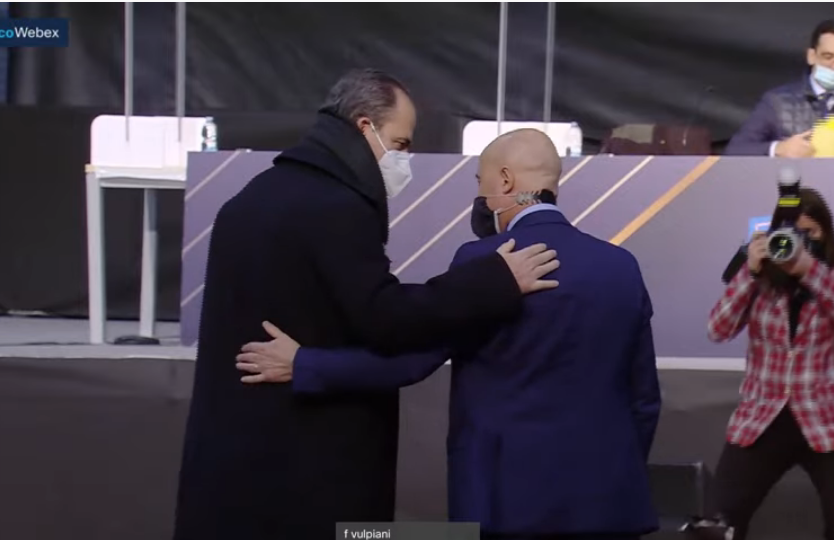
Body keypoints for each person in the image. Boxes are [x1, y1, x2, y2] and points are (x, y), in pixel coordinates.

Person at [172, 70, 559, 540]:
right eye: (400, 144)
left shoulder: (258, 194)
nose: (404, 159)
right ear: (363, 127)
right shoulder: (335, 206)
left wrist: (306, 362)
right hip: (304, 460)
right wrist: (492, 281)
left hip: (240, 461)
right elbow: (385, 319)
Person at [237, 129, 662, 540]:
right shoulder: (621, 266)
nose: (478, 195)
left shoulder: (486, 262)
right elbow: (644, 398)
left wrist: (304, 364)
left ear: (505, 181)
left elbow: (411, 360)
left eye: (480, 182)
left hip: (507, 503)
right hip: (609, 503)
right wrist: (616, 470)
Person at [707, 188, 834, 540]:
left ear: (826, 235)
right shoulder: (761, 280)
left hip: (824, 416)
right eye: (794, 234)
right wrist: (749, 272)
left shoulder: (828, 277)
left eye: (810, 234)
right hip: (761, 416)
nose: (800, 242)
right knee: (718, 523)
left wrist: (809, 270)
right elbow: (717, 330)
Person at [726, 20, 834, 157]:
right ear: (811, 56)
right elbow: (735, 150)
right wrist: (779, 148)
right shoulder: (778, 102)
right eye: (828, 57)